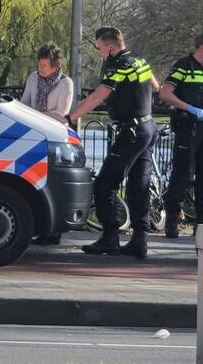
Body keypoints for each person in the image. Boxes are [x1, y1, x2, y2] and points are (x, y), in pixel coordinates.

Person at [68, 27, 159, 259]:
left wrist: (72, 117)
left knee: (105, 185)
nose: (100, 54)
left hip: (132, 131)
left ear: (110, 47)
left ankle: (110, 238)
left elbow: (99, 95)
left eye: (100, 48)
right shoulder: (141, 62)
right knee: (138, 187)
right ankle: (140, 241)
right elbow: (155, 87)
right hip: (148, 128)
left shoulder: (118, 66)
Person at [157, 31, 203, 238]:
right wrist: (189, 108)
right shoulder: (184, 66)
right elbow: (165, 93)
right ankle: (172, 219)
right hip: (188, 127)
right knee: (182, 173)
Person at [20, 42, 74, 124]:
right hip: (32, 126)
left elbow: (61, 115)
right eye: (39, 64)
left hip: (54, 128)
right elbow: (24, 104)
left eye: (44, 66)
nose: (40, 68)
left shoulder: (66, 83)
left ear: (55, 66)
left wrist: (35, 116)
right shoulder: (33, 77)